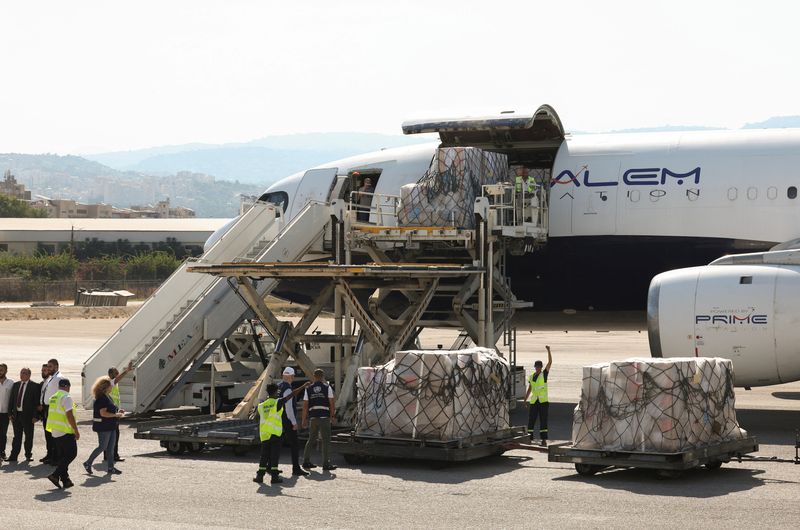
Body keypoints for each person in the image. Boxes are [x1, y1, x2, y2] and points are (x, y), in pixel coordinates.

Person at [254, 381, 310, 485]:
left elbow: (258, 417)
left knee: (264, 456)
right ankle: (274, 477)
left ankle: (259, 476)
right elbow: (291, 395)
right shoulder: (277, 402)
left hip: (265, 434)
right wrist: (302, 386)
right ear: (275, 392)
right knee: (274, 456)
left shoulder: (261, 405)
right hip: (275, 434)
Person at [83, 376, 123, 476]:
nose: (112, 387)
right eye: (110, 385)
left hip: (111, 425)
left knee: (110, 448)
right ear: (105, 387)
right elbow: (103, 413)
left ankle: (110, 467)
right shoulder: (101, 398)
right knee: (102, 446)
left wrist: (118, 412)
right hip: (104, 427)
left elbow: (109, 409)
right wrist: (115, 415)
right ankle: (88, 463)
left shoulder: (107, 396)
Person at [45, 378, 79, 489]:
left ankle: (66, 480)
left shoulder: (54, 397)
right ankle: (55, 475)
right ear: (68, 386)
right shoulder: (66, 397)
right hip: (65, 431)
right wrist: (76, 430)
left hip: (55, 431)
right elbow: (70, 415)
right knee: (71, 454)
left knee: (63, 457)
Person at [301, 369, 337, 471]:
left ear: (314, 376)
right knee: (326, 440)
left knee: (311, 439)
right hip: (324, 418)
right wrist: (332, 416)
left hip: (313, 418)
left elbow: (305, 406)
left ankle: (306, 461)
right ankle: (326, 464)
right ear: (322, 377)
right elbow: (331, 403)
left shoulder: (308, 389)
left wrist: (304, 420)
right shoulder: (327, 387)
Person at [277, 367, 309, 477]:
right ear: (291, 376)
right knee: (295, 444)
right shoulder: (287, 389)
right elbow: (289, 408)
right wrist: (294, 422)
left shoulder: (279, 386)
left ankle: (271, 467)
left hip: (278, 418)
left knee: (276, 443)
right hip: (287, 419)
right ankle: (296, 468)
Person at [7, 367, 40, 462]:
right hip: (16, 415)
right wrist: (10, 413)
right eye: (21, 372)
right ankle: (13, 456)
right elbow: (11, 400)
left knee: (29, 436)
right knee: (17, 437)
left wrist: (35, 416)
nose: (22, 375)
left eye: (24, 373)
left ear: (29, 375)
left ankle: (28, 455)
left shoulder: (34, 386)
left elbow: (36, 403)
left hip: (29, 417)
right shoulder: (16, 385)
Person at [524, 345, 553, 446]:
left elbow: (550, 363)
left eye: (539, 366)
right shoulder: (531, 376)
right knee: (531, 420)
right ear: (535, 367)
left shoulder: (544, 374)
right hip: (534, 401)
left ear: (541, 367)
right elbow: (530, 388)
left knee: (543, 421)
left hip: (543, 402)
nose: (538, 368)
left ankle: (543, 440)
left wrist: (549, 351)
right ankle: (529, 438)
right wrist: (525, 399)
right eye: (536, 366)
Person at [107, 361, 133, 462]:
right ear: (111, 374)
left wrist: (119, 410)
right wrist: (126, 371)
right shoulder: (110, 382)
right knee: (114, 436)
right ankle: (114, 456)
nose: (117, 373)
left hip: (115, 412)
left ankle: (108, 455)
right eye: (115, 372)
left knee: (111, 435)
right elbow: (117, 379)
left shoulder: (112, 383)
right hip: (112, 414)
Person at [39, 358, 62, 464]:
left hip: (53, 409)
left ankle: (56, 458)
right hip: (46, 408)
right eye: (47, 366)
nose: (48, 368)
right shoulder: (51, 378)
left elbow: (61, 394)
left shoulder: (59, 378)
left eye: (50, 366)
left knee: (54, 434)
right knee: (48, 434)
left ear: (56, 367)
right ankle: (50, 455)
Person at [0, 363, 14, 460]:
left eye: (2, 370)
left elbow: (13, 399)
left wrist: (11, 412)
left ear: (6, 371)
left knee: (3, 434)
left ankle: (2, 452)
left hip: (5, 413)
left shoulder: (11, 383)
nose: (0, 371)